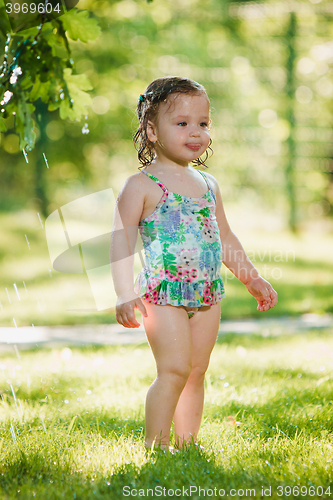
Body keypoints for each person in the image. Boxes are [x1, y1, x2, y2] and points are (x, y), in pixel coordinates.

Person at [110, 76, 278, 452]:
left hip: (207, 294)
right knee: (173, 370)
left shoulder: (208, 183)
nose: (196, 132)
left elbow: (226, 237)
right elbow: (121, 241)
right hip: (163, 293)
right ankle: (157, 445)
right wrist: (124, 293)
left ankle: (186, 447)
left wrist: (252, 279)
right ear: (152, 131)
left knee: (196, 372)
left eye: (203, 123)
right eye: (182, 123)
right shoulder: (142, 185)